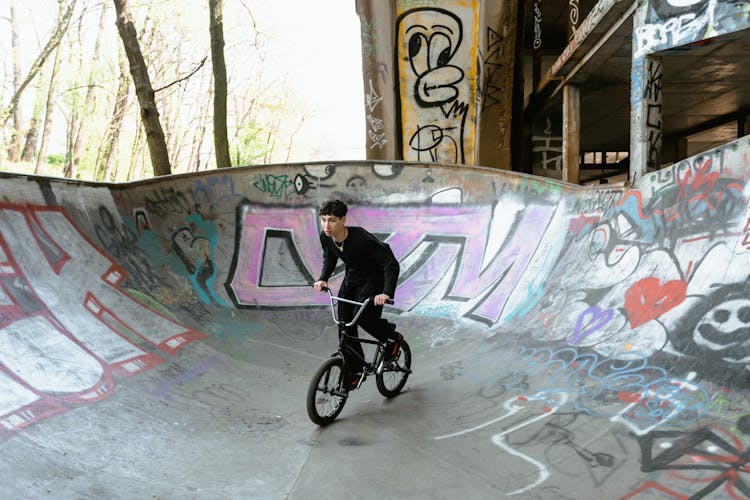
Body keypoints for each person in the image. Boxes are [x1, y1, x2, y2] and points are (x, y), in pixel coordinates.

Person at [313, 199, 403, 390]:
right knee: (345, 325)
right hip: (352, 279)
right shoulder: (325, 237)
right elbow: (329, 257)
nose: (327, 225)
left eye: (332, 220)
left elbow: (390, 264)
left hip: (374, 279)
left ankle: (392, 338)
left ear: (343, 220)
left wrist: (386, 293)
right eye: (323, 220)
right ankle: (355, 371)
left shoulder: (361, 239)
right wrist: (323, 278)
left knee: (363, 318)